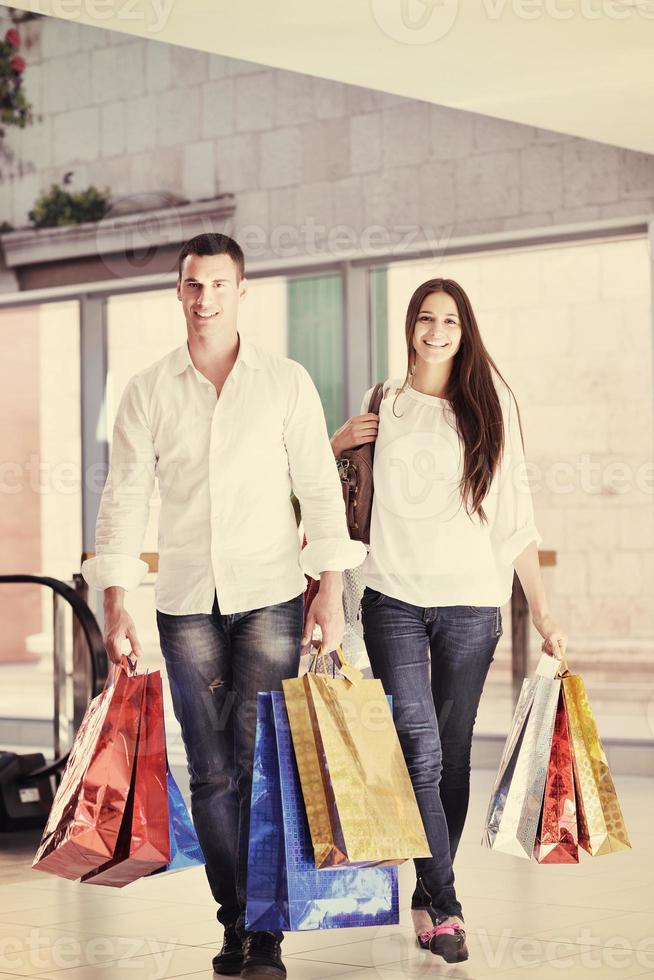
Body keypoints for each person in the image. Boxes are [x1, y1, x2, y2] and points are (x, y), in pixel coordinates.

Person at [82, 233, 365, 980]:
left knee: (259, 764)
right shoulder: (147, 391)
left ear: (243, 293)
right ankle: (235, 918)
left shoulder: (285, 383)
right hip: (184, 606)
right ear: (178, 293)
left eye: (216, 284)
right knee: (211, 773)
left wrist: (329, 590)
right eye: (191, 285)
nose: (203, 297)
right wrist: (116, 604)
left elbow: (320, 488)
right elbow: (123, 504)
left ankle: (265, 933)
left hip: (270, 596)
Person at [330, 277, 566, 964]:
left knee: (452, 755)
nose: (436, 331)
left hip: (471, 601)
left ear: (466, 332)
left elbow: (516, 519)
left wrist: (545, 612)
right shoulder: (384, 403)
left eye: (451, 322)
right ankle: (446, 902)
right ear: (410, 326)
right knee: (419, 750)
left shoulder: (491, 405)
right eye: (426, 319)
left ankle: (427, 896)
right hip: (392, 599)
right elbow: (329, 497)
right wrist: (337, 441)